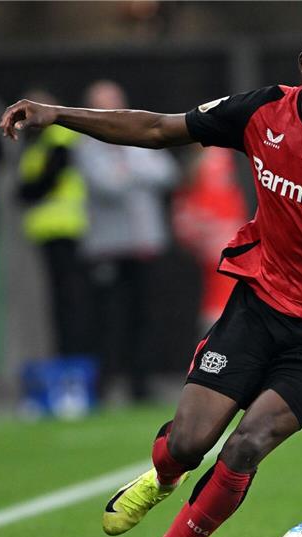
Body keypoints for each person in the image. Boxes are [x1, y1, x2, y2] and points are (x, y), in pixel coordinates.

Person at [0, 16, 302, 537]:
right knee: (191, 443)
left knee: (246, 444)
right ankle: (164, 474)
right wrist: (59, 114)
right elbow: (159, 129)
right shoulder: (262, 112)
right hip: (259, 304)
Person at [75, 80, 180, 401]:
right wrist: (137, 173)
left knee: (144, 317)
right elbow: (106, 185)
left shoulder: (139, 138)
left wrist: (128, 171)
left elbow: (167, 174)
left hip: (145, 243)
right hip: (107, 246)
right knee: (108, 319)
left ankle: (141, 385)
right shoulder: (85, 146)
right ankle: (104, 386)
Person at [17, 89, 90, 357]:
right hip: (50, 230)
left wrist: (25, 191)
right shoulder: (37, 142)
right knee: (61, 300)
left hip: (67, 228)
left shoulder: (59, 138)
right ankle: (66, 356)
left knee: (71, 300)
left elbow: (41, 183)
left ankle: (74, 357)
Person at [172, 145, 250, 330]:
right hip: (218, 234)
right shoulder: (215, 156)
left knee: (221, 291)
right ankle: (214, 339)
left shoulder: (219, 155)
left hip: (224, 232)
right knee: (219, 292)